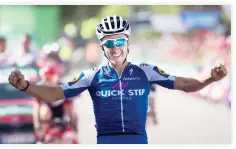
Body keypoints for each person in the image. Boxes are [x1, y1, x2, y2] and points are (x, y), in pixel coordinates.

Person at [8, 15, 228, 144]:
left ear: (128, 42)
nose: (115, 49)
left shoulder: (146, 71)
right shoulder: (92, 75)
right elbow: (55, 93)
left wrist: (210, 77)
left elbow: (188, 85)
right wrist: (25, 86)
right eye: (109, 44)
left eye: (120, 42)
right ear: (103, 47)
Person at [32, 65, 78, 143]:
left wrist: (73, 122)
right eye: (46, 79)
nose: (48, 81)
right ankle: (44, 131)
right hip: (47, 120)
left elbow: (70, 108)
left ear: (55, 77)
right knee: (44, 109)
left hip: (62, 117)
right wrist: (37, 124)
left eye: (50, 78)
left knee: (71, 138)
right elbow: (36, 109)